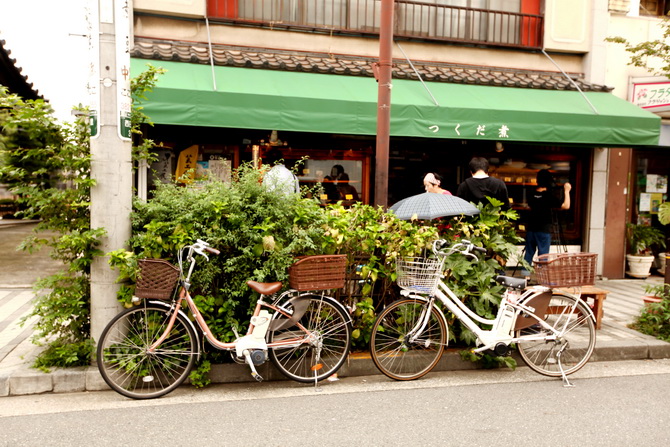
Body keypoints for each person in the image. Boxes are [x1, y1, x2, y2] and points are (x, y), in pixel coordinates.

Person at [522, 169, 572, 275]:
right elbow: (566, 206)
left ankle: (525, 278)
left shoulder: (531, 194)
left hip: (531, 229)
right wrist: (567, 191)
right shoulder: (548, 196)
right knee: (543, 255)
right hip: (543, 230)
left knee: (528, 254)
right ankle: (542, 277)